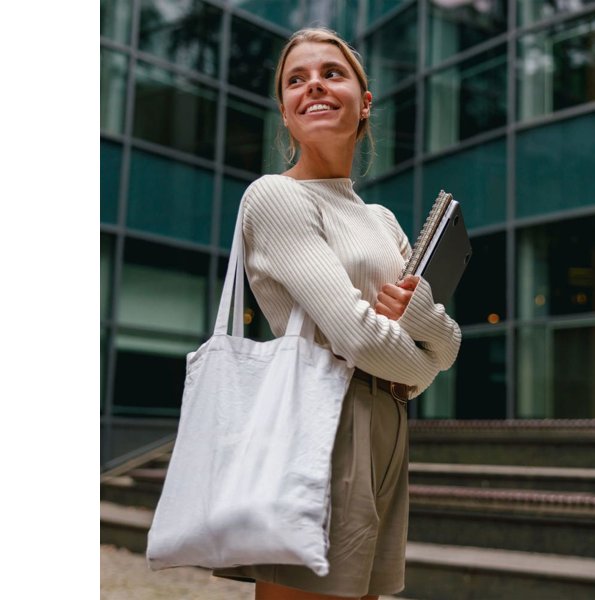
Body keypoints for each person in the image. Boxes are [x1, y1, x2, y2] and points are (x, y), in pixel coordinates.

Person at [211, 28, 462, 600]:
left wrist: (420, 320)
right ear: (285, 111)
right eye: (296, 80)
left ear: (364, 101)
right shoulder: (275, 196)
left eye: (331, 73)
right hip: (318, 420)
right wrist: (423, 362)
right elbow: (359, 337)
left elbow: (448, 339)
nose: (314, 86)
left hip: (388, 425)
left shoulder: (381, 220)